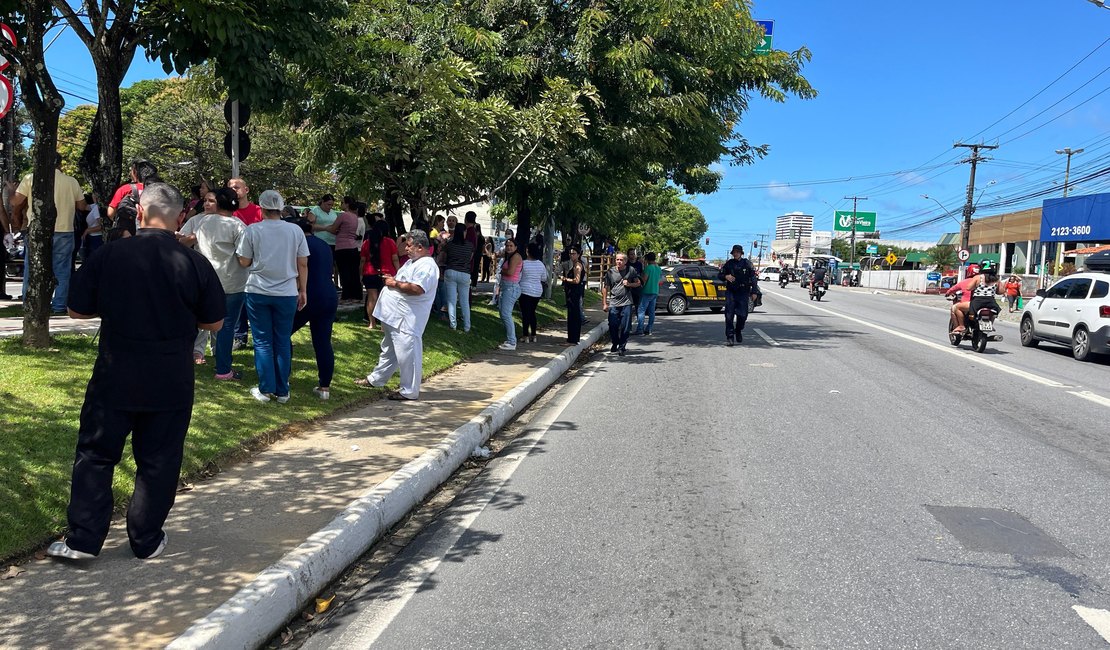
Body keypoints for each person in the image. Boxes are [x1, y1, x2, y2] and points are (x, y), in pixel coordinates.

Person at [48, 182, 225, 561]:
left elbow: (76, 311)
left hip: (116, 372)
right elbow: (214, 323)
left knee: (96, 454)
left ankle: (82, 540)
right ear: (180, 218)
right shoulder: (194, 263)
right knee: (159, 460)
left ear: (140, 213)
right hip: (170, 377)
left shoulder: (110, 255)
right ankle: (145, 540)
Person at [236, 190, 309, 403]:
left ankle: (266, 388)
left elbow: (244, 261)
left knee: (262, 341)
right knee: (282, 340)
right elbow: (302, 262)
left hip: (257, 290)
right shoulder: (295, 230)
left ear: (262, 207)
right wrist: (302, 289)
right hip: (286, 292)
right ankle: (283, 390)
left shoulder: (252, 230)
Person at [354, 230, 439, 401]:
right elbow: (404, 281)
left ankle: (409, 391)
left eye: (408, 245)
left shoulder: (427, 266)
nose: (405, 248)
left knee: (408, 355)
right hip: (395, 316)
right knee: (389, 350)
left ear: (420, 247)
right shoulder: (411, 263)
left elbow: (417, 288)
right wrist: (393, 280)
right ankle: (376, 379)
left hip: (407, 319)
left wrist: (394, 283)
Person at [177, 187, 248, 380]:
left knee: (199, 320)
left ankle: (189, 356)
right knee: (226, 326)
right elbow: (244, 259)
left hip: (206, 280)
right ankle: (223, 368)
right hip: (231, 282)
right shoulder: (238, 226)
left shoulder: (203, 221)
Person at [10, 153, 88, 313]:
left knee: (32, 268)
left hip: (38, 230)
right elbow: (81, 206)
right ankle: (59, 305)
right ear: (60, 164)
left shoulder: (30, 178)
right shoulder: (71, 181)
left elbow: (15, 202)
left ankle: (29, 304)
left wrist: (12, 191)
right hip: (65, 229)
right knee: (62, 269)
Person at [286, 216, 338, 400]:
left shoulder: (299, 245)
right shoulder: (323, 244)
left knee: (283, 333)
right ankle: (325, 387)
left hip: (307, 295)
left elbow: (297, 270)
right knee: (323, 341)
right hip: (329, 295)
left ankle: (283, 378)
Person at [361, 220, 400, 329]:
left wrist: (360, 273)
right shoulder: (390, 242)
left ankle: (371, 323)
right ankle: (383, 325)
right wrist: (398, 272)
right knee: (385, 300)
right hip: (387, 273)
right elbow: (395, 259)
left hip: (369, 272)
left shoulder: (367, 243)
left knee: (372, 298)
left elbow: (363, 260)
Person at [601, 252, 640, 356]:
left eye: (621, 260)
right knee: (613, 325)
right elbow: (605, 288)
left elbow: (638, 283)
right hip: (614, 303)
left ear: (625, 261)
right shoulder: (610, 272)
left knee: (625, 327)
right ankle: (615, 342)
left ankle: (622, 346)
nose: (619, 262)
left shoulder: (631, 270)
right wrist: (605, 303)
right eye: (617, 259)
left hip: (627, 302)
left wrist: (630, 284)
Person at [718, 244, 755, 346]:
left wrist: (754, 291)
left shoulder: (747, 263)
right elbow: (720, 275)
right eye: (734, 252)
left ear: (741, 253)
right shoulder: (729, 264)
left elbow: (753, 278)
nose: (736, 253)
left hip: (743, 292)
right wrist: (726, 276)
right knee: (729, 316)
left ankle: (738, 330)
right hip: (731, 292)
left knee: (743, 315)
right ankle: (730, 337)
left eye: (738, 252)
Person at [441, 222, 475, 332]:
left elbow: (445, 257)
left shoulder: (450, 245)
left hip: (450, 271)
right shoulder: (470, 245)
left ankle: (453, 325)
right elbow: (469, 259)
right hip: (464, 273)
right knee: (464, 302)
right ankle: (467, 326)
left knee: (452, 300)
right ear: (464, 232)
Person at [332, 196, 362, 303]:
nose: (341, 205)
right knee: (354, 272)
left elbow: (333, 229)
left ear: (347, 204)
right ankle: (357, 295)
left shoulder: (343, 215)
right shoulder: (355, 217)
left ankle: (346, 296)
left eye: (342, 203)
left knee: (344, 271)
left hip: (342, 247)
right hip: (353, 246)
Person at [519, 242, 549, 343]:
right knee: (532, 312)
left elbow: (518, 277)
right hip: (537, 291)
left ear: (527, 251)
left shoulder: (523, 263)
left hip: (524, 290)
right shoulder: (541, 264)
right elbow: (544, 278)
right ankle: (534, 335)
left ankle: (525, 335)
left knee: (525, 313)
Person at [498, 238, 524, 350]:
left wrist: (501, 270)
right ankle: (509, 339)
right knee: (502, 313)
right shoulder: (508, 257)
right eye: (507, 245)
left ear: (515, 247)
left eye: (511, 246)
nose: (509, 247)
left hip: (511, 287)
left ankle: (512, 342)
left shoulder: (516, 256)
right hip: (505, 287)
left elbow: (510, 272)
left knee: (506, 314)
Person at [945, 266, 980, 334]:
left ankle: (959, 327)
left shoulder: (965, 282)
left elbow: (953, 289)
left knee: (954, 308)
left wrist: (947, 293)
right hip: (980, 304)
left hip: (967, 304)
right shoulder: (982, 280)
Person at [562, 245, 586, 344]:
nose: (572, 255)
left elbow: (576, 280)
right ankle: (572, 337)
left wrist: (565, 279)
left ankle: (573, 338)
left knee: (574, 316)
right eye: (570, 253)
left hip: (574, 293)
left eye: (574, 253)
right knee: (572, 315)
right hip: (571, 293)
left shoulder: (577, 265)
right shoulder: (575, 264)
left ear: (579, 254)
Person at [634, 251, 661, 335]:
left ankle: (640, 329)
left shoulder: (648, 268)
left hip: (646, 291)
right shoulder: (658, 268)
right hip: (655, 291)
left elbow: (644, 280)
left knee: (641, 310)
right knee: (651, 311)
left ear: (647, 259)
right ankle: (649, 329)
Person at [81, 193, 103, 263]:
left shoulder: (97, 208)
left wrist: (88, 230)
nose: (93, 195)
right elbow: (83, 207)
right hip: (93, 237)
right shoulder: (95, 206)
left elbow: (101, 226)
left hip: (97, 238)